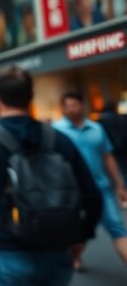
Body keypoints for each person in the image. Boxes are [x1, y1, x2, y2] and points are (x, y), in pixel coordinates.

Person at [0, 67, 103, 285]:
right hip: (58, 246)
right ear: (31, 98)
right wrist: (81, 237)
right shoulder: (59, 139)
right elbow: (93, 196)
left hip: (9, 249)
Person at [53, 92, 127, 268]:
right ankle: (76, 257)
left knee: (117, 227)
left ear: (82, 105)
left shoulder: (96, 129)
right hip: (71, 192)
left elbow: (108, 157)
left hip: (100, 189)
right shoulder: (56, 131)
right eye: (68, 105)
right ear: (63, 107)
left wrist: (120, 185)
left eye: (75, 104)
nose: (72, 109)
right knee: (77, 230)